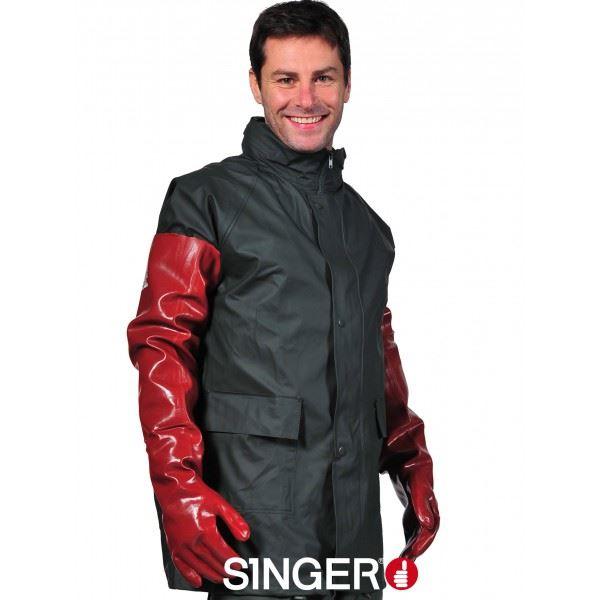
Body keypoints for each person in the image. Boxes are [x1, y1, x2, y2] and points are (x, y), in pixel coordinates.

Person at [126, 1, 439, 598]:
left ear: (348, 84)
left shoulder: (368, 229)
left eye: (324, 77)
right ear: (256, 85)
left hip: (354, 539)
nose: (306, 98)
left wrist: (410, 459)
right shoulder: (205, 201)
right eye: (286, 79)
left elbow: (378, 353)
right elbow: (162, 344)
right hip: (252, 528)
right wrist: (178, 490)